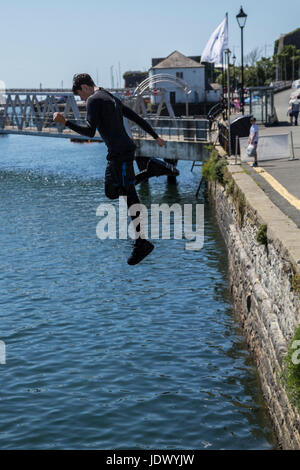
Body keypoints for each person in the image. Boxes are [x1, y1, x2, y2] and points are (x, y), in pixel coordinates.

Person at [53, 73, 179, 266]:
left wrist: (65, 123)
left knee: (128, 195)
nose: (82, 99)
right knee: (116, 192)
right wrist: (155, 136)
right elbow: (134, 116)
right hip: (121, 152)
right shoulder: (109, 96)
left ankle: (141, 242)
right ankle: (150, 172)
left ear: (85, 87)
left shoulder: (94, 100)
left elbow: (89, 131)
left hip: (120, 154)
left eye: (80, 95)